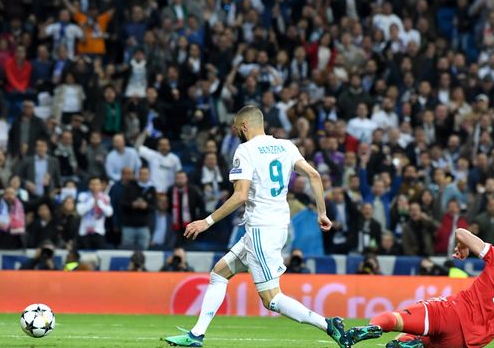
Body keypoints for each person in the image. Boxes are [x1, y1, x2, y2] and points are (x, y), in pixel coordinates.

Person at [163, 106, 380, 348]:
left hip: (260, 229)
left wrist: (207, 221)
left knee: (271, 299)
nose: (237, 134)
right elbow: (314, 175)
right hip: (275, 226)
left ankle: (329, 325)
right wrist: (322, 212)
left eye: (237, 129)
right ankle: (196, 335)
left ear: (244, 126)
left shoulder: (245, 150)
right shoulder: (286, 146)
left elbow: (240, 195)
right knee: (219, 273)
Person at [347, 229, 494, 348]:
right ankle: (413, 344)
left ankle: (369, 330)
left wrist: (463, 247)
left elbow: (461, 232)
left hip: (452, 313)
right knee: (421, 341)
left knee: (395, 320)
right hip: (467, 343)